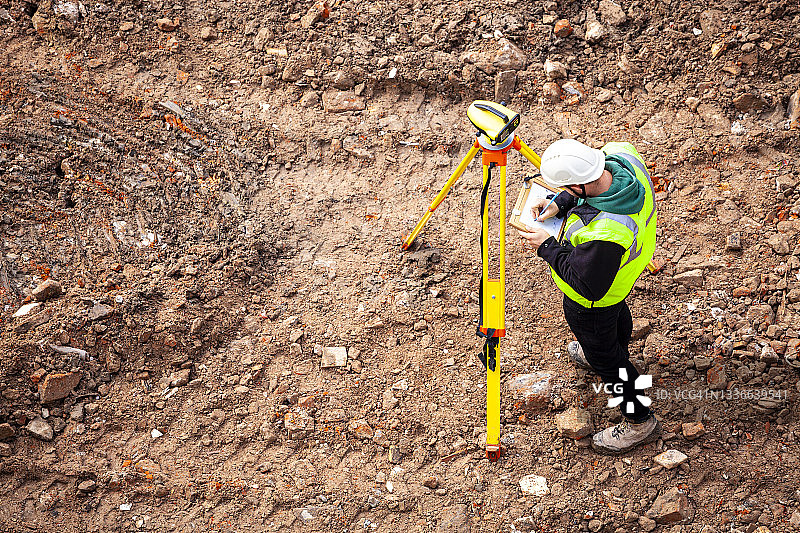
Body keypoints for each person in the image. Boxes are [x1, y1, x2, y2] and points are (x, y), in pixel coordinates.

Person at [518, 138, 659, 454]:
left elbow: (588, 285)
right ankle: (612, 350)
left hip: (593, 300)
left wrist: (547, 246)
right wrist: (560, 202)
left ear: (579, 185)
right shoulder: (620, 155)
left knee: (607, 359)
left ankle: (640, 422)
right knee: (612, 328)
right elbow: (589, 180)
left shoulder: (607, 232)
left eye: (568, 187)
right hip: (618, 281)